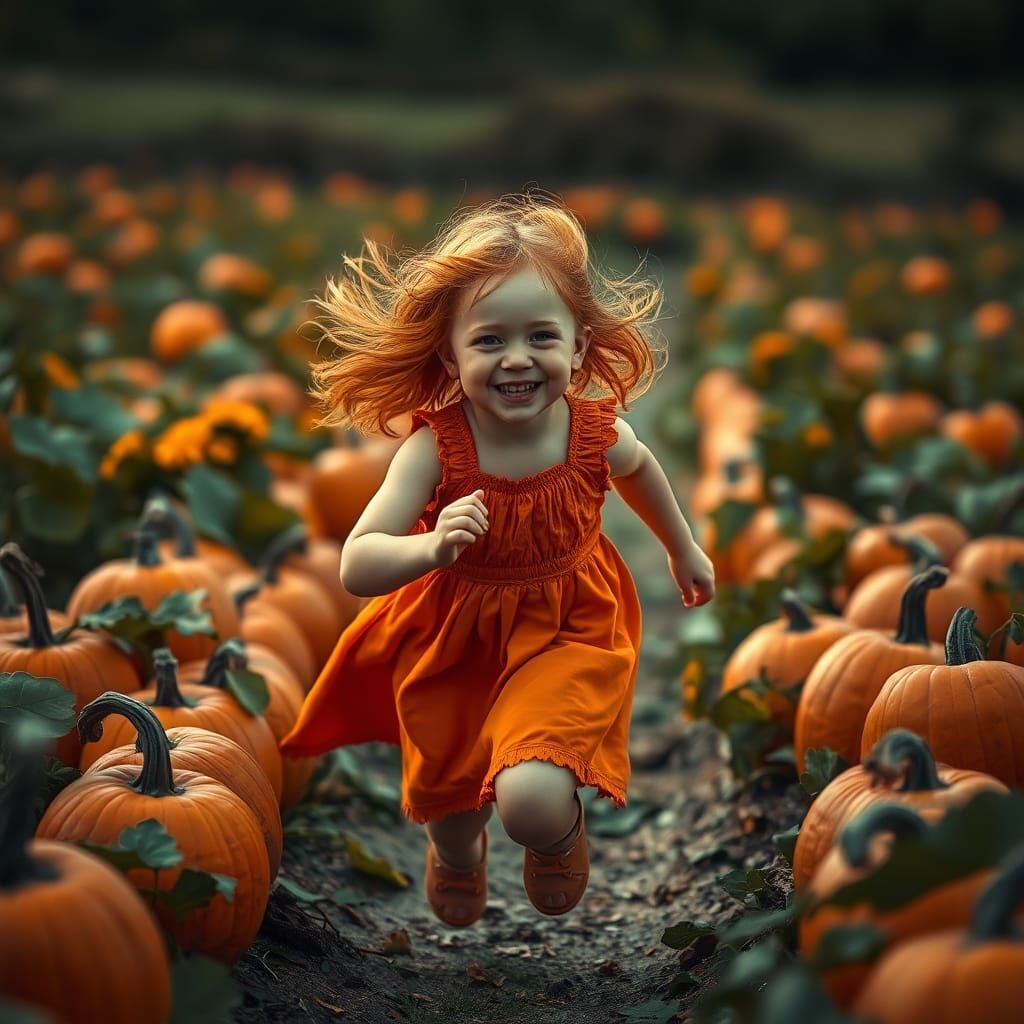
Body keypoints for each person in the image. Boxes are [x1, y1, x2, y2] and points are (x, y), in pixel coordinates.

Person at [279, 191, 715, 928]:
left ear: (578, 346)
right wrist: (430, 544)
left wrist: (683, 545)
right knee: (453, 814)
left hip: (567, 629)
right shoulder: (433, 449)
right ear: (450, 351)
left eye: (542, 336)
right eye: (488, 341)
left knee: (530, 799)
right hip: (455, 644)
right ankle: (456, 856)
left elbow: (640, 471)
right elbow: (357, 562)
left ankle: (556, 831)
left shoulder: (591, 430)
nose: (518, 359)